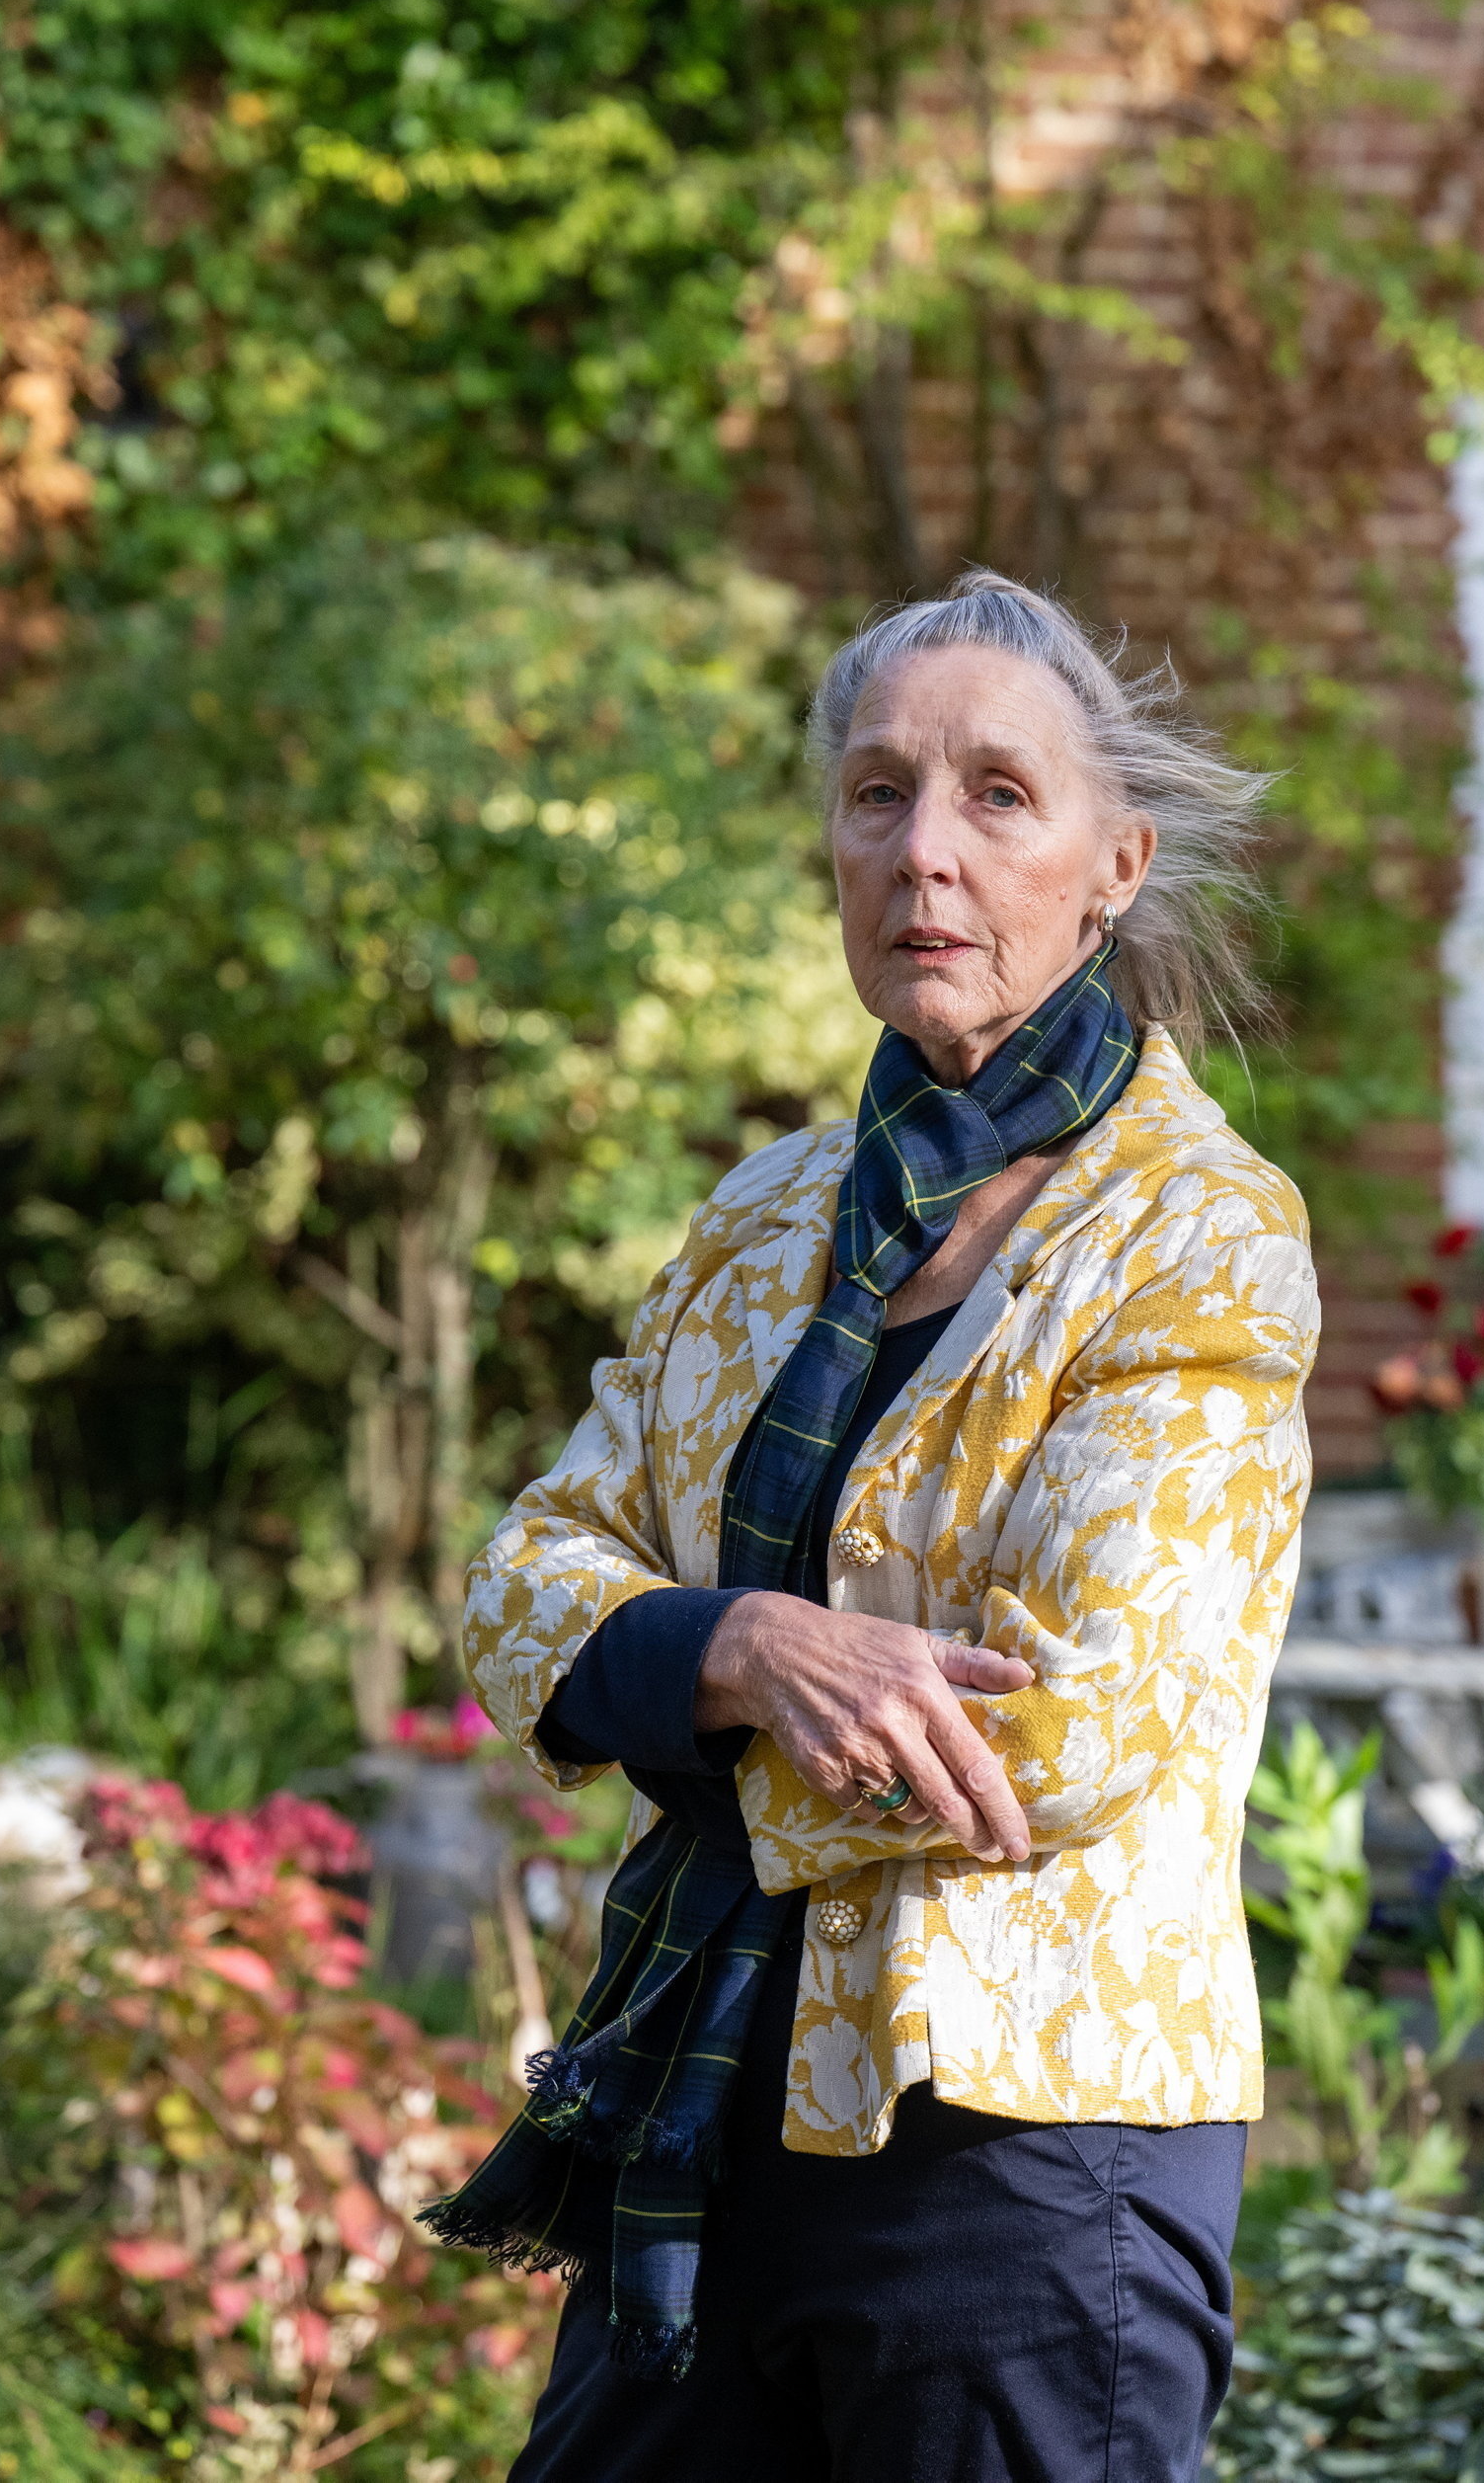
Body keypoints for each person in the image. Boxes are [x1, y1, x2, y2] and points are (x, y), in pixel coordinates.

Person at [425, 572, 1322, 2480]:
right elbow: (522, 1577)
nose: (926, 850)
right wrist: (741, 1652)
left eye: (999, 795)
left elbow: (1077, 1724)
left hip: (1026, 2165)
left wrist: (662, 1706)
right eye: (876, 794)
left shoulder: (1198, 1233)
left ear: (1114, 865)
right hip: (701, 2122)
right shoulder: (765, 1217)